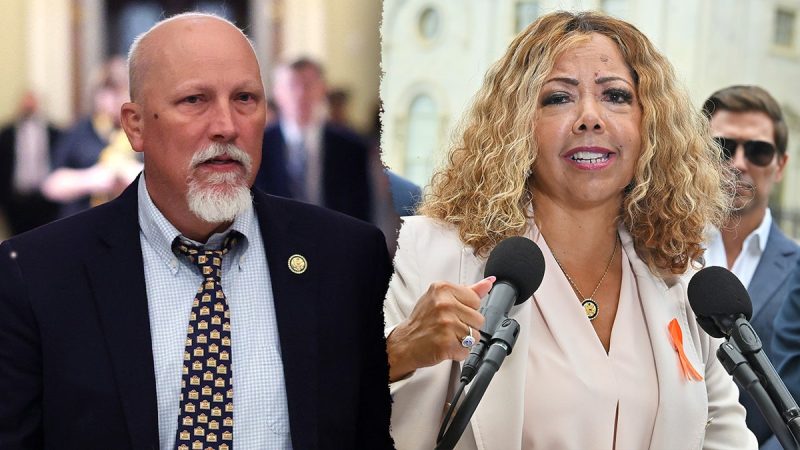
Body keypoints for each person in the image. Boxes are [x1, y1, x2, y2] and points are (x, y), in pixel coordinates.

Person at [0, 12, 393, 449]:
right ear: (135, 125)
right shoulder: (38, 276)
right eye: (194, 100)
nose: (226, 126)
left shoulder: (347, 259)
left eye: (245, 98)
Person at [384, 11, 756, 450]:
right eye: (558, 98)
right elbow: (341, 411)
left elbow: (724, 438)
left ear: (650, 124)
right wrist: (397, 354)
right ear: (516, 124)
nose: (589, 118)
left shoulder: (684, 282)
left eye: (616, 96)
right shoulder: (420, 253)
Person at [701, 85, 798, 446]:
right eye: (723, 147)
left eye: (758, 150)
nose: (738, 163)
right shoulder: (656, 252)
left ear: (780, 165)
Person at [254, 58, 373, 222]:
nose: (301, 94)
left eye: (308, 85)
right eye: (292, 86)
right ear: (277, 92)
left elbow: (361, 211)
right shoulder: (258, 144)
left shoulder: (352, 147)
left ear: (323, 89)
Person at [41, 55, 139, 218]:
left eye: (121, 92)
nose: (114, 101)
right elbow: (51, 185)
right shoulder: (80, 131)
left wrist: (136, 176)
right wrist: (92, 178)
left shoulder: (144, 131)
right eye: (107, 92)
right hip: (82, 221)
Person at [0, 91, 62, 235]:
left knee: (46, 238)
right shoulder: (7, 133)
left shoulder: (54, 133)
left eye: (32, 102)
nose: (29, 106)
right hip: (16, 200)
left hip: (46, 200)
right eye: (26, 102)